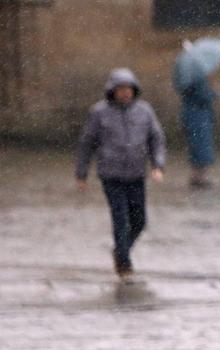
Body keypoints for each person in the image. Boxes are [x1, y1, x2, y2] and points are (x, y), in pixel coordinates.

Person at [74, 68, 166, 281]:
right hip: (111, 174)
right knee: (120, 218)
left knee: (139, 220)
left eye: (129, 89)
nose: (125, 93)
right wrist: (82, 173)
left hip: (136, 173)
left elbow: (156, 139)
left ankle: (121, 249)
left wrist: (157, 165)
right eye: (121, 89)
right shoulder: (99, 113)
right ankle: (124, 263)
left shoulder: (145, 111)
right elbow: (87, 143)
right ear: (112, 91)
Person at [175, 42, 219, 189]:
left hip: (192, 113)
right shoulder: (195, 76)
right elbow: (203, 96)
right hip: (198, 114)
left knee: (197, 145)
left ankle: (197, 175)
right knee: (201, 145)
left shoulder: (186, 75)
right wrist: (213, 93)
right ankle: (199, 176)